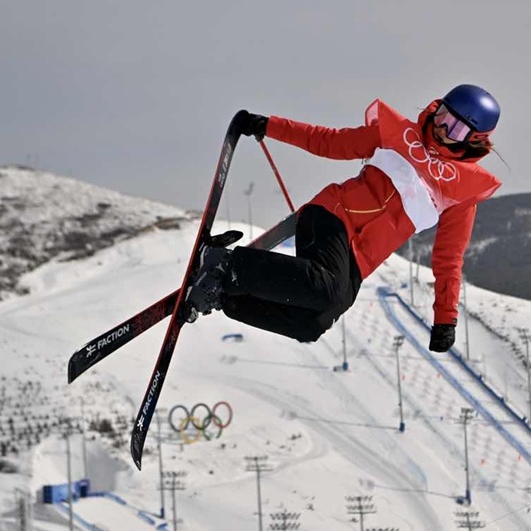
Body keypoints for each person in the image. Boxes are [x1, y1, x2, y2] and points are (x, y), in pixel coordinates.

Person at [186, 84, 502, 353]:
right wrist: (269, 125)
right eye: (443, 116)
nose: (443, 129)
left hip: (361, 257)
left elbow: (449, 257)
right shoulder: (398, 135)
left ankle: (225, 294)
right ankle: (226, 266)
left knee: (312, 323)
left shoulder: (462, 190)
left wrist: (445, 318)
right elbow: (329, 141)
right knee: (327, 289)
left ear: (475, 139)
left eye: (457, 128)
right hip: (334, 215)